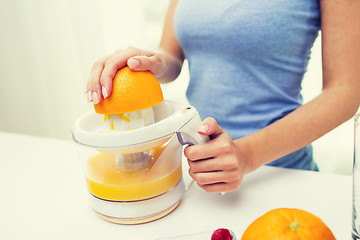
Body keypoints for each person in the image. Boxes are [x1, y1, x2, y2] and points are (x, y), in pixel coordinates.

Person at [86, 0, 360, 193]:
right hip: (200, 175)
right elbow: (171, 57)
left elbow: (345, 91)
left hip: (281, 176)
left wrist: (246, 155)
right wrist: (148, 61)